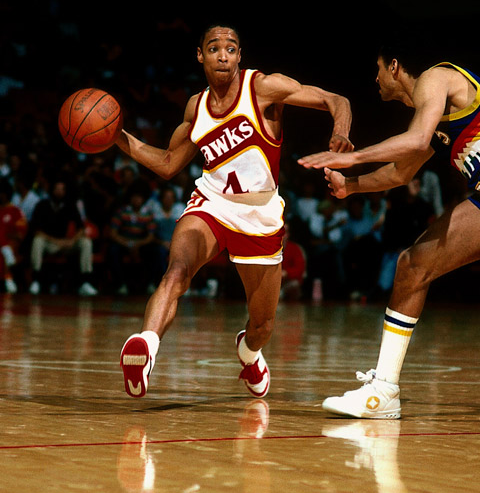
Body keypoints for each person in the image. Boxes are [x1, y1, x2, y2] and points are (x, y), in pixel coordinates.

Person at [118, 24, 353, 398]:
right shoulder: (196, 108)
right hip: (212, 202)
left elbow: (335, 99)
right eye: (213, 48)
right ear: (201, 56)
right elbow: (167, 163)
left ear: (239, 56)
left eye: (230, 48)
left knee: (263, 325)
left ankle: (249, 351)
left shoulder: (262, 88)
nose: (222, 55)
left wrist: (340, 130)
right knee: (177, 270)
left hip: (259, 214)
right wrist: (118, 135)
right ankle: (146, 346)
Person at [298, 31, 480, 418]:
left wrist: (352, 159)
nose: (375, 79)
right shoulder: (437, 117)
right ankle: (384, 390)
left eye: (378, 70)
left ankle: (384, 390)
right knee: (413, 265)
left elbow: (414, 142)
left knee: (413, 265)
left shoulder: (436, 76)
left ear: (395, 67)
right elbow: (401, 172)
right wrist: (351, 187)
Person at [28, 178, 98, 296]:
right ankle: (36, 281)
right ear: (52, 190)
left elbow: (81, 228)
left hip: (66, 244)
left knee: (86, 242)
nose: (59, 192)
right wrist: (56, 241)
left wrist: (72, 241)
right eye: (57, 189)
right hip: (49, 243)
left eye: (62, 189)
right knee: (37, 241)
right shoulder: (42, 205)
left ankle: (85, 282)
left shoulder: (69, 205)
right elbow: (36, 231)